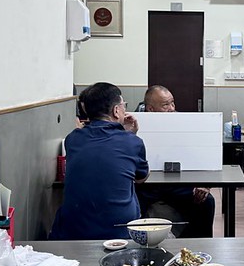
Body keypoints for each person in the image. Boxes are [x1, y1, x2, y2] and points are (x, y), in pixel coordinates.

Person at [50, 82, 148, 240]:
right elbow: (140, 178)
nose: (125, 110)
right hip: (119, 234)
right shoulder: (133, 142)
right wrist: (131, 135)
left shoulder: (73, 139)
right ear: (116, 110)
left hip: (72, 232)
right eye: (123, 106)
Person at [137, 85, 215, 238]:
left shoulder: (182, 123)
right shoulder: (135, 125)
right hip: (147, 186)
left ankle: (198, 247)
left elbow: (201, 154)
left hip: (177, 184)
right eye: (166, 105)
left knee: (206, 201)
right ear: (151, 109)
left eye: (172, 103)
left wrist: (204, 183)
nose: (172, 108)